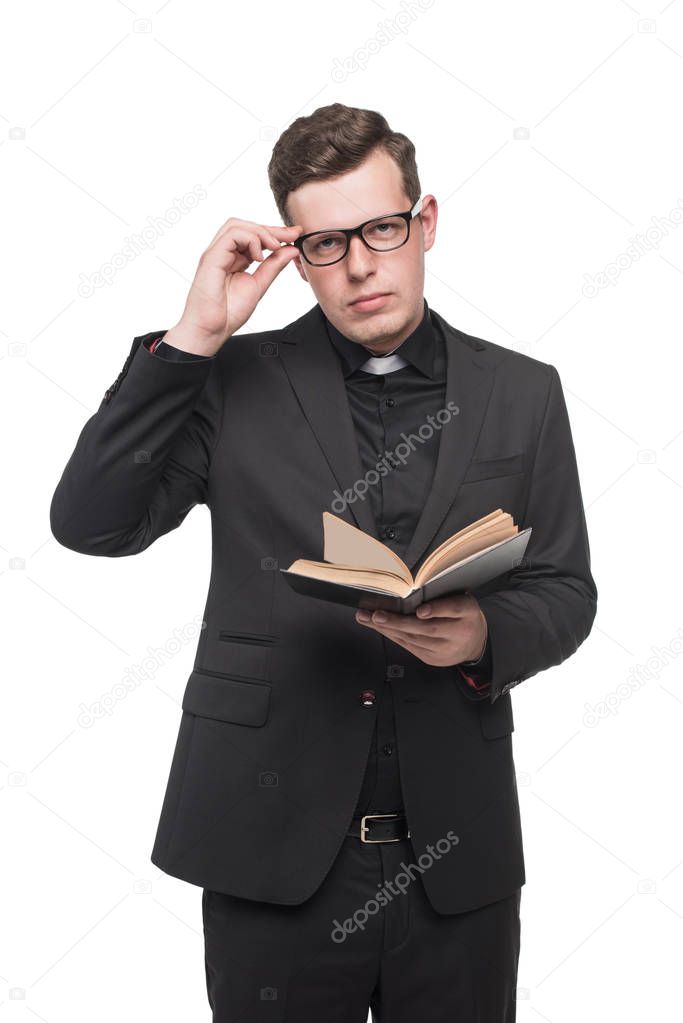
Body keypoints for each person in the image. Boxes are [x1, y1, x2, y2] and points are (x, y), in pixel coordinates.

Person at [50, 102, 597, 1021]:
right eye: (325, 244)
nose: (358, 266)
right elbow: (92, 522)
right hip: (267, 853)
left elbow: (566, 588)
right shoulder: (226, 378)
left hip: (454, 862)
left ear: (422, 223)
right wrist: (193, 336)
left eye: (380, 229)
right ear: (294, 254)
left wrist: (482, 635)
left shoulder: (523, 391)